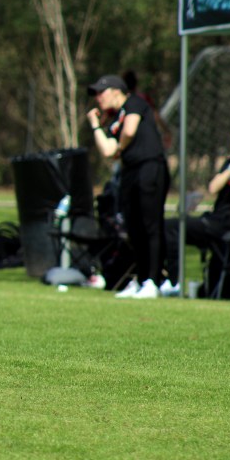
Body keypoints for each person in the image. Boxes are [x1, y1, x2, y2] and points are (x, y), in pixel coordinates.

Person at [87, 74, 170, 300]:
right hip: (130, 172)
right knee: (133, 228)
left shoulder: (134, 103)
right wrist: (96, 125)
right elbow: (106, 150)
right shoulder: (114, 122)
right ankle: (142, 278)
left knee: (150, 225)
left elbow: (130, 130)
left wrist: (119, 148)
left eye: (101, 92)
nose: (98, 98)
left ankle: (154, 281)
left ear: (116, 91)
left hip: (149, 168)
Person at [163, 127, 230, 295]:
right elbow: (213, 188)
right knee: (170, 226)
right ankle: (172, 281)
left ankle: (175, 283)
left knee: (173, 227)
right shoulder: (229, 166)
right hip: (211, 223)